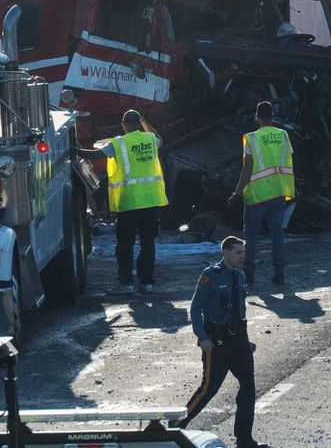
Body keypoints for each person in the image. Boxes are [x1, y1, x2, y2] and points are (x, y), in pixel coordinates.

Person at [170, 236, 269, 448]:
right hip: (217, 342)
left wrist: (247, 341)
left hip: (239, 341)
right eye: (238, 253)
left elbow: (239, 310)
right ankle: (175, 425)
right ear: (225, 253)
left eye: (243, 252)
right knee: (209, 388)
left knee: (248, 389)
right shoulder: (210, 276)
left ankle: (244, 439)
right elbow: (195, 308)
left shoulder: (240, 275)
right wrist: (202, 338)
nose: (243, 257)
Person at [77, 109, 168, 294]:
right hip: (150, 201)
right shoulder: (150, 139)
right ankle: (147, 282)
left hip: (129, 202)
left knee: (125, 245)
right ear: (139, 123)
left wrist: (72, 150)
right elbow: (159, 137)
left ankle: (126, 284)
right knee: (147, 244)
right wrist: (144, 121)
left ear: (124, 125)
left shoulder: (118, 143)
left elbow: (94, 155)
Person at [228, 101, 295, 285]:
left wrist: (238, 192)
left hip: (257, 194)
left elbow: (247, 168)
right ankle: (279, 274)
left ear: (257, 117)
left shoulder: (251, 138)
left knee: (250, 235)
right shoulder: (283, 135)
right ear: (273, 116)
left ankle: (249, 274)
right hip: (278, 191)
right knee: (277, 233)